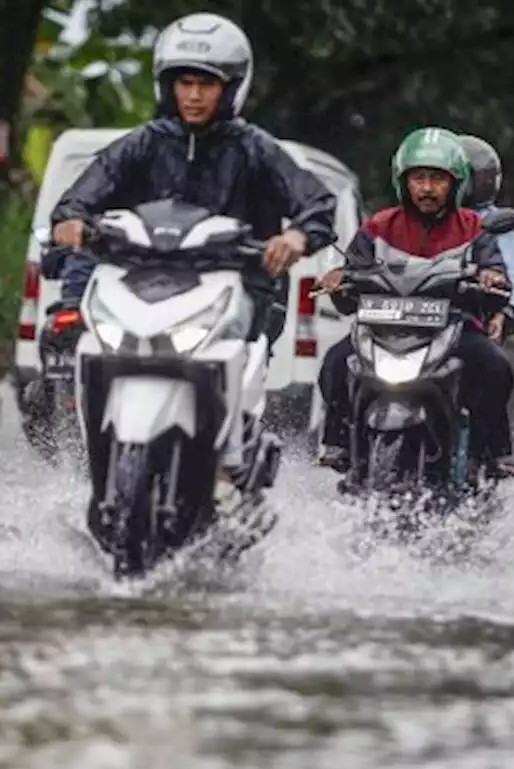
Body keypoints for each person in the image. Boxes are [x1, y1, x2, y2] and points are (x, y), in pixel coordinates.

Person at [47, 12, 338, 504]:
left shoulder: (255, 149)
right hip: (143, 284)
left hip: (235, 290)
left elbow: (317, 204)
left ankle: (230, 467)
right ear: (168, 85)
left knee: (243, 357)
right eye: (185, 82)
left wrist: (295, 238)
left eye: (207, 83)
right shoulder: (142, 143)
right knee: (84, 340)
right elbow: (78, 200)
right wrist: (72, 220)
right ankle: (94, 472)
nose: (194, 95)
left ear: (232, 88)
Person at [316, 127, 514, 477]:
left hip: (452, 328)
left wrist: (491, 279)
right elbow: (350, 277)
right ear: (403, 182)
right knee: (335, 362)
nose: (426, 188)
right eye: (419, 178)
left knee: (495, 365)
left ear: (456, 183)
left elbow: (496, 274)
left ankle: (493, 453)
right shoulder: (378, 226)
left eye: (437, 179)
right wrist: (338, 281)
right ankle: (337, 443)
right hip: (382, 329)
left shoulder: (473, 227)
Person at [458, 134, 514, 334]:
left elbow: (510, 274)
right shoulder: (408, 219)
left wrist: (504, 311)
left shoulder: (491, 221)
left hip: (470, 316)